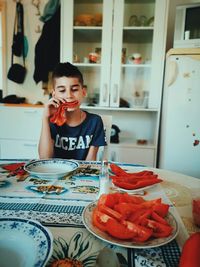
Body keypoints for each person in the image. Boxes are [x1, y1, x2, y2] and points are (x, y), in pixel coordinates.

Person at [38, 62, 106, 160]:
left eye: (74, 89)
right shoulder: (52, 121)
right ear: (54, 95)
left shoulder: (95, 121)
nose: (69, 95)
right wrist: (45, 118)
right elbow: (44, 158)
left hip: (81, 173)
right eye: (62, 91)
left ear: (83, 92)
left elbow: (90, 163)